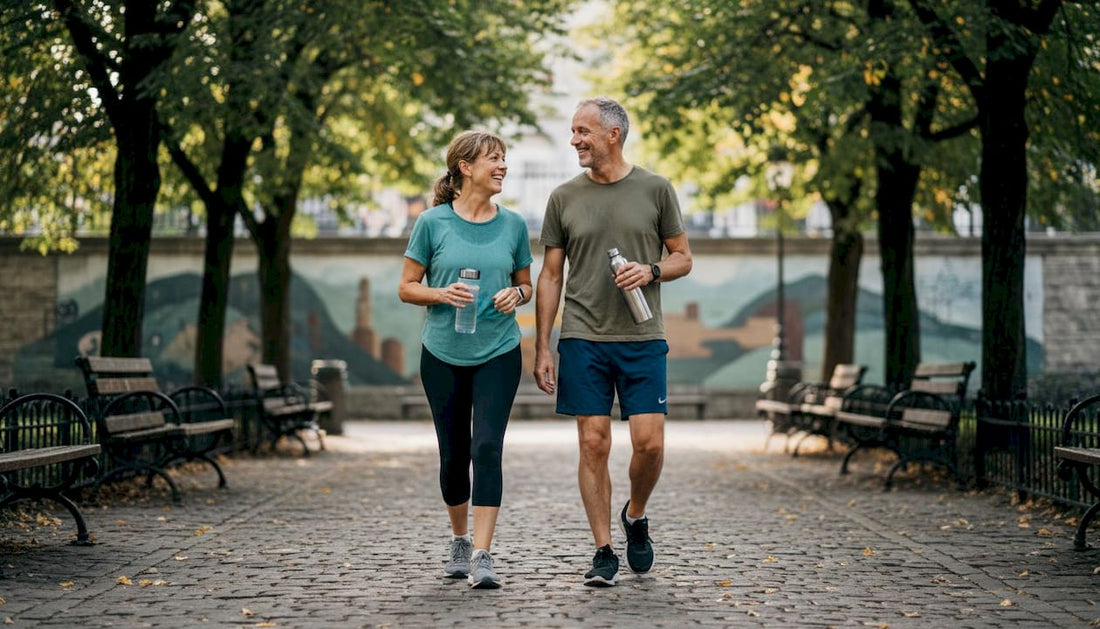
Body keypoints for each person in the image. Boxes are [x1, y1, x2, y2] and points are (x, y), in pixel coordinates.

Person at [533, 97, 692, 587]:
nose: (575, 140)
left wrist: (652, 270)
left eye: (584, 131)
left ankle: (635, 515)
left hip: (643, 336)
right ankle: (603, 549)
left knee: (650, 444)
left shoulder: (656, 189)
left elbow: (683, 257)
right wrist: (543, 345)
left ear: (612, 135)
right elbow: (551, 275)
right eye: (573, 132)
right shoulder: (563, 197)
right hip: (583, 337)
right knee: (593, 442)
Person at [399, 130, 533, 589]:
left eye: (504, 159)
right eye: (493, 159)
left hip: (499, 350)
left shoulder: (513, 225)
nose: (502, 166)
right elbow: (406, 286)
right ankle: (459, 538)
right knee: (454, 455)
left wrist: (516, 294)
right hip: (441, 352)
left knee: (487, 447)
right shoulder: (432, 223)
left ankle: (482, 553)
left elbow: (527, 285)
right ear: (464, 167)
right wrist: (441, 292)